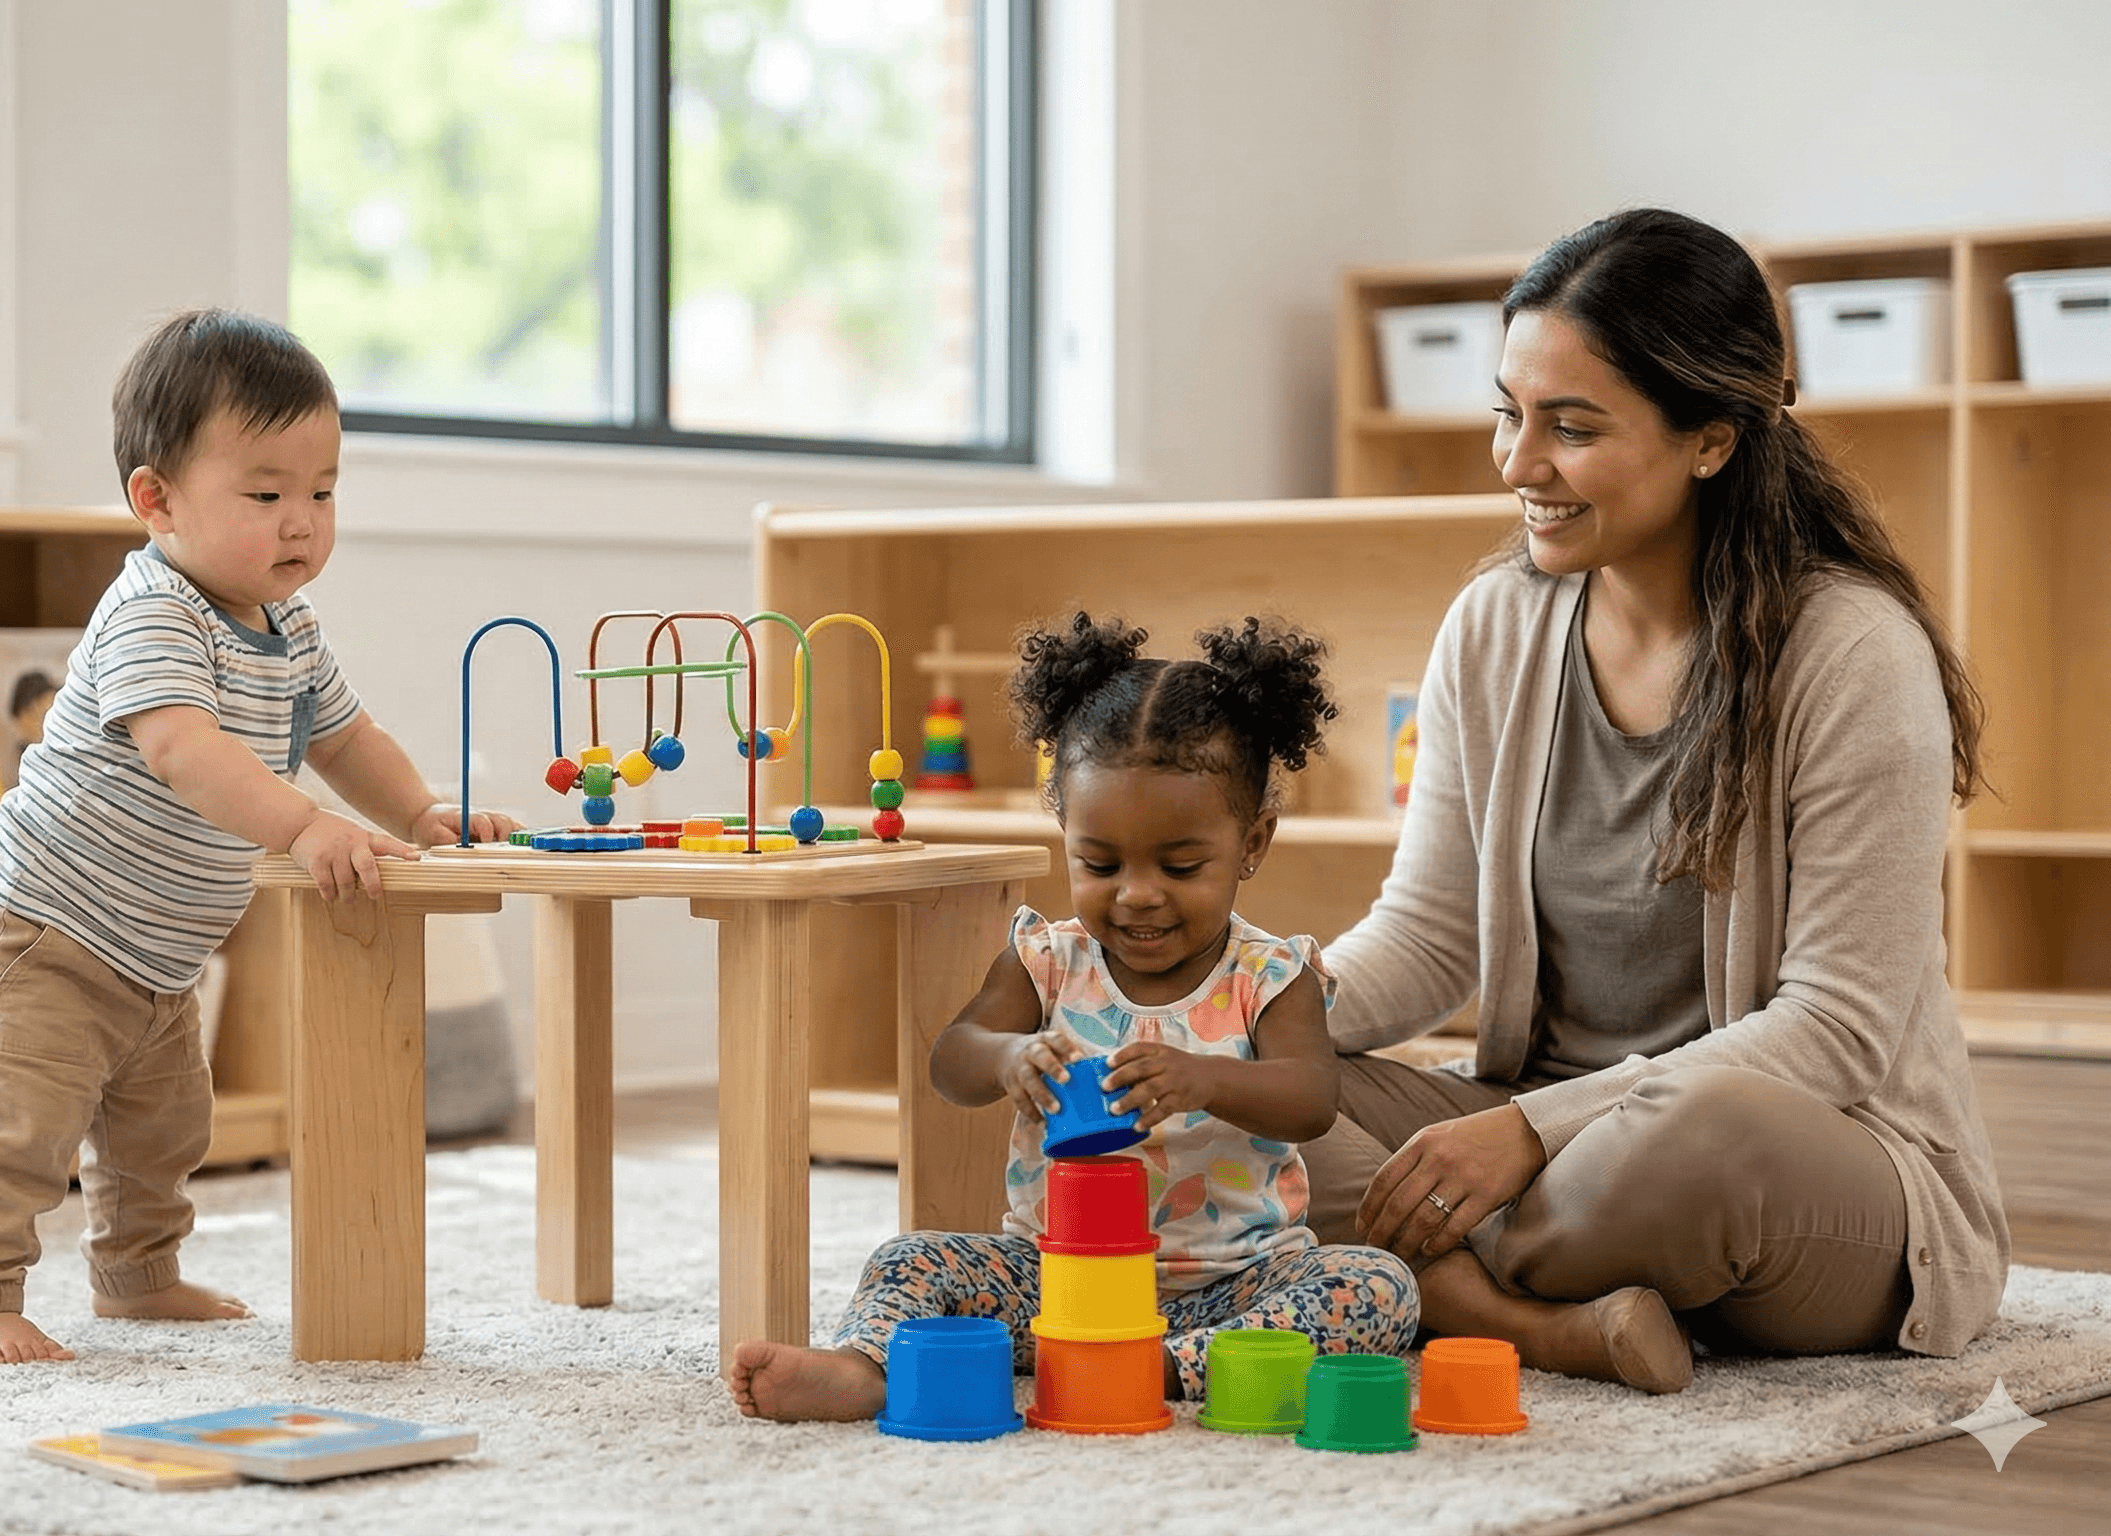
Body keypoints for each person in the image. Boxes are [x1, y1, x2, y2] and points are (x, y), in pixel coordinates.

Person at [1307, 207, 2006, 1394]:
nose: (1516, 464)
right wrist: (1245, 1013)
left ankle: (1417, 1278)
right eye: (1507, 413)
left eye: (1570, 428)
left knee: (1689, 1142)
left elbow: (1834, 1030)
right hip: (1540, 1138)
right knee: (1236, 1099)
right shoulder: (1492, 624)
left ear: (1710, 441)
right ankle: (1539, 1318)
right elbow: (1427, 934)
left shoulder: (1850, 652)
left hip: (1799, 1157)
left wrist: (1527, 1133)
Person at [0, 309, 514, 1363]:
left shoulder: (289, 627)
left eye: (322, 494)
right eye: (266, 495)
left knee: (162, 1134)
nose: (302, 525)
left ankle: (137, 1277)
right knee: (17, 1130)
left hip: (159, 957)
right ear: (155, 499)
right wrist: (302, 825)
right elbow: (183, 752)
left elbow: (347, 736)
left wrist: (420, 814)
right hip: (42, 932)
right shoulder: (153, 610)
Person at [727, 613, 1419, 1421]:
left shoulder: (1269, 976)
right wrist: (1007, 1057)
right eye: (1099, 862)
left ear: (1253, 843)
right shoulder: (1048, 959)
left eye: (1181, 866)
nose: (1137, 893)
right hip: (1055, 1280)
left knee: (1377, 1286)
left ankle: (1164, 1367)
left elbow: (1311, 1099)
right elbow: (952, 1061)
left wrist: (1203, 1079)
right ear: (1065, 832)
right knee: (910, 1257)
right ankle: (867, 1366)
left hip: (1232, 1282)